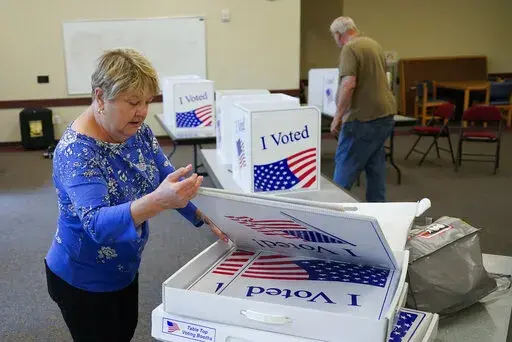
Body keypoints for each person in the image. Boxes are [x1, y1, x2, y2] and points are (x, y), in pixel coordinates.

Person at [44, 48, 227, 342]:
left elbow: (166, 177)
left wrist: (211, 216)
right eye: (132, 102)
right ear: (101, 97)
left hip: (123, 267)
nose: (142, 111)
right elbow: (97, 225)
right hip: (82, 277)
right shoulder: (76, 152)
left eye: (146, 102)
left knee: (123, 332)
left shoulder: (134, 128)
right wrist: (158, 201)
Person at [329, 17, 397, 202]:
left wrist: (337, 116)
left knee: (345, 165)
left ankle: (334, 211)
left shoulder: (350, 48)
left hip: (363, 118)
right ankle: (378, 210)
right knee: (375, 166)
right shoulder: (373, 44)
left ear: (338, 34)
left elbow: (348, 84)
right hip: (385, 114)